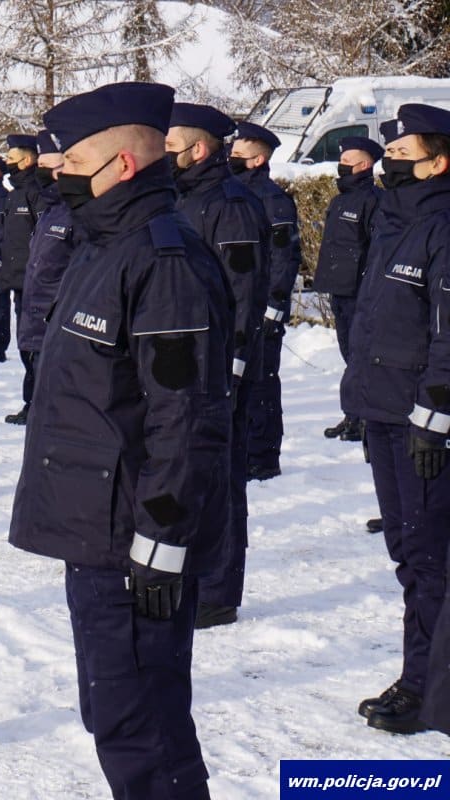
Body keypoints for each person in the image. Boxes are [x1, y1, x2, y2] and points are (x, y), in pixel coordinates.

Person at [9, 82, 233, 800]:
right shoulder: (104, 247)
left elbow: (186, 415)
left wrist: (163, 537)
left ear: (122, 167)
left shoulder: (164, 263)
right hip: (97, 530)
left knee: (145, 726)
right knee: (116, 714)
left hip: (135, 536)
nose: (58, 170)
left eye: (73, 159)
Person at [341, 105, 450, 735]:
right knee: (410, 553)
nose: (391, 161)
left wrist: (435, 412)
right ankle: (424, 674)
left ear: (439, 161)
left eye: (405, 152)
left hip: (424, 419)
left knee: (431, 558)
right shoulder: (396, 222)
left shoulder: (443, 224)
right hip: (385, 410)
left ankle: (427, 687)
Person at [166, 102, 271, 629]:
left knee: (221, 479)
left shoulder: (230, 205)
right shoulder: (182, 199)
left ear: (199, 149)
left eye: (170, 149)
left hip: (219, 368)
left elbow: (243, 291)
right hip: (187, 363)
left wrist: (229, 365)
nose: (165, 158)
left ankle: (218, 590)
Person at [231, 122, 303, 481]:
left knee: (260, 381)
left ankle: (262, 455)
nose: (231, 159)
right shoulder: (231, 193)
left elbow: (285, 256)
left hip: (261, 310)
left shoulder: (271, 199)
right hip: (237, 306)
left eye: (239, 156)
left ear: (258, 159)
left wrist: (274, 306)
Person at [312, 136, 383, 442]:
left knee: (360, 356)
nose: (341, 167)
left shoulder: (373, 200)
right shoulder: (339, 200)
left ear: (364, 165)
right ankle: (353, 414)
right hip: (339, 290)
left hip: (360, 293)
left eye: (346, 162)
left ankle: (366, 416)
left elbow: (376, 249)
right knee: (348, 354)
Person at [11, 129, 76, 426]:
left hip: (57, 320)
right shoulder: (52, 210)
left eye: (51, 166)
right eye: (41, 165)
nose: (43, 173)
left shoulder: (77, 214)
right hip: (35, 314)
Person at [0, 134, 43, 365]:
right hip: (17, 278)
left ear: (26, 161)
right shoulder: (14, 194)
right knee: (25, 343)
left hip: (34, 280)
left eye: (11, 157)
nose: (7, 161)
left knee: (35, 344)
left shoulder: (36, 191)